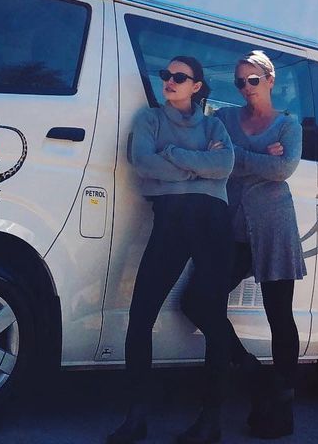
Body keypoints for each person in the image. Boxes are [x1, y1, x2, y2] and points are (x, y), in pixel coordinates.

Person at [107, 56, 235, 444]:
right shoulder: (150, 120)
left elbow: (225, 163)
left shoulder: (213, 124)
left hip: (212, 221)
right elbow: (144, 163)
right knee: (141, 314)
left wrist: (175, 155)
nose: (170, 81)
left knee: (214, 318)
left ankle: (211, 421)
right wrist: (199, 167)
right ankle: (136, 418)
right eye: (166, 75)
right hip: (172, 219)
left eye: (180, 77)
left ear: (196, 86)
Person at [213, 50, 306, 439]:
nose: (246, 87)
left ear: (270, 80)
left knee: (279, 316)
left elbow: (283, 169)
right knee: (199, 300)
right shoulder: (224, 118)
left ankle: (283, 406)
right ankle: (252, 372)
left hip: (274, 228)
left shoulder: (288, 125)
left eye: (253, 80)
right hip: (233, 227)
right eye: (240, 81)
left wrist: (238, 156)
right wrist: (256, 159)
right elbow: (217, 159)